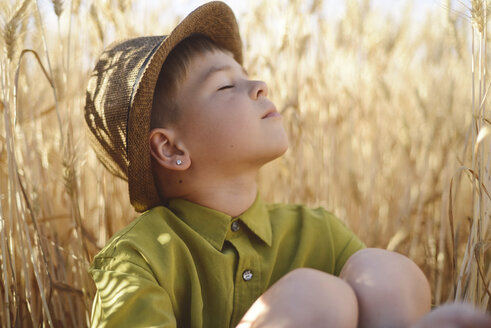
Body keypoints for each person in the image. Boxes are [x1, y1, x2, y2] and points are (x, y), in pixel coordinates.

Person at [84, 2, 489, 327]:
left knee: (381, 270)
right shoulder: (138, 258)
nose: (259, 84)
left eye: (247, 75)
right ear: (172, 150)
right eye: (225, 85)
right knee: (316, 295)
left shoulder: (318, 232)